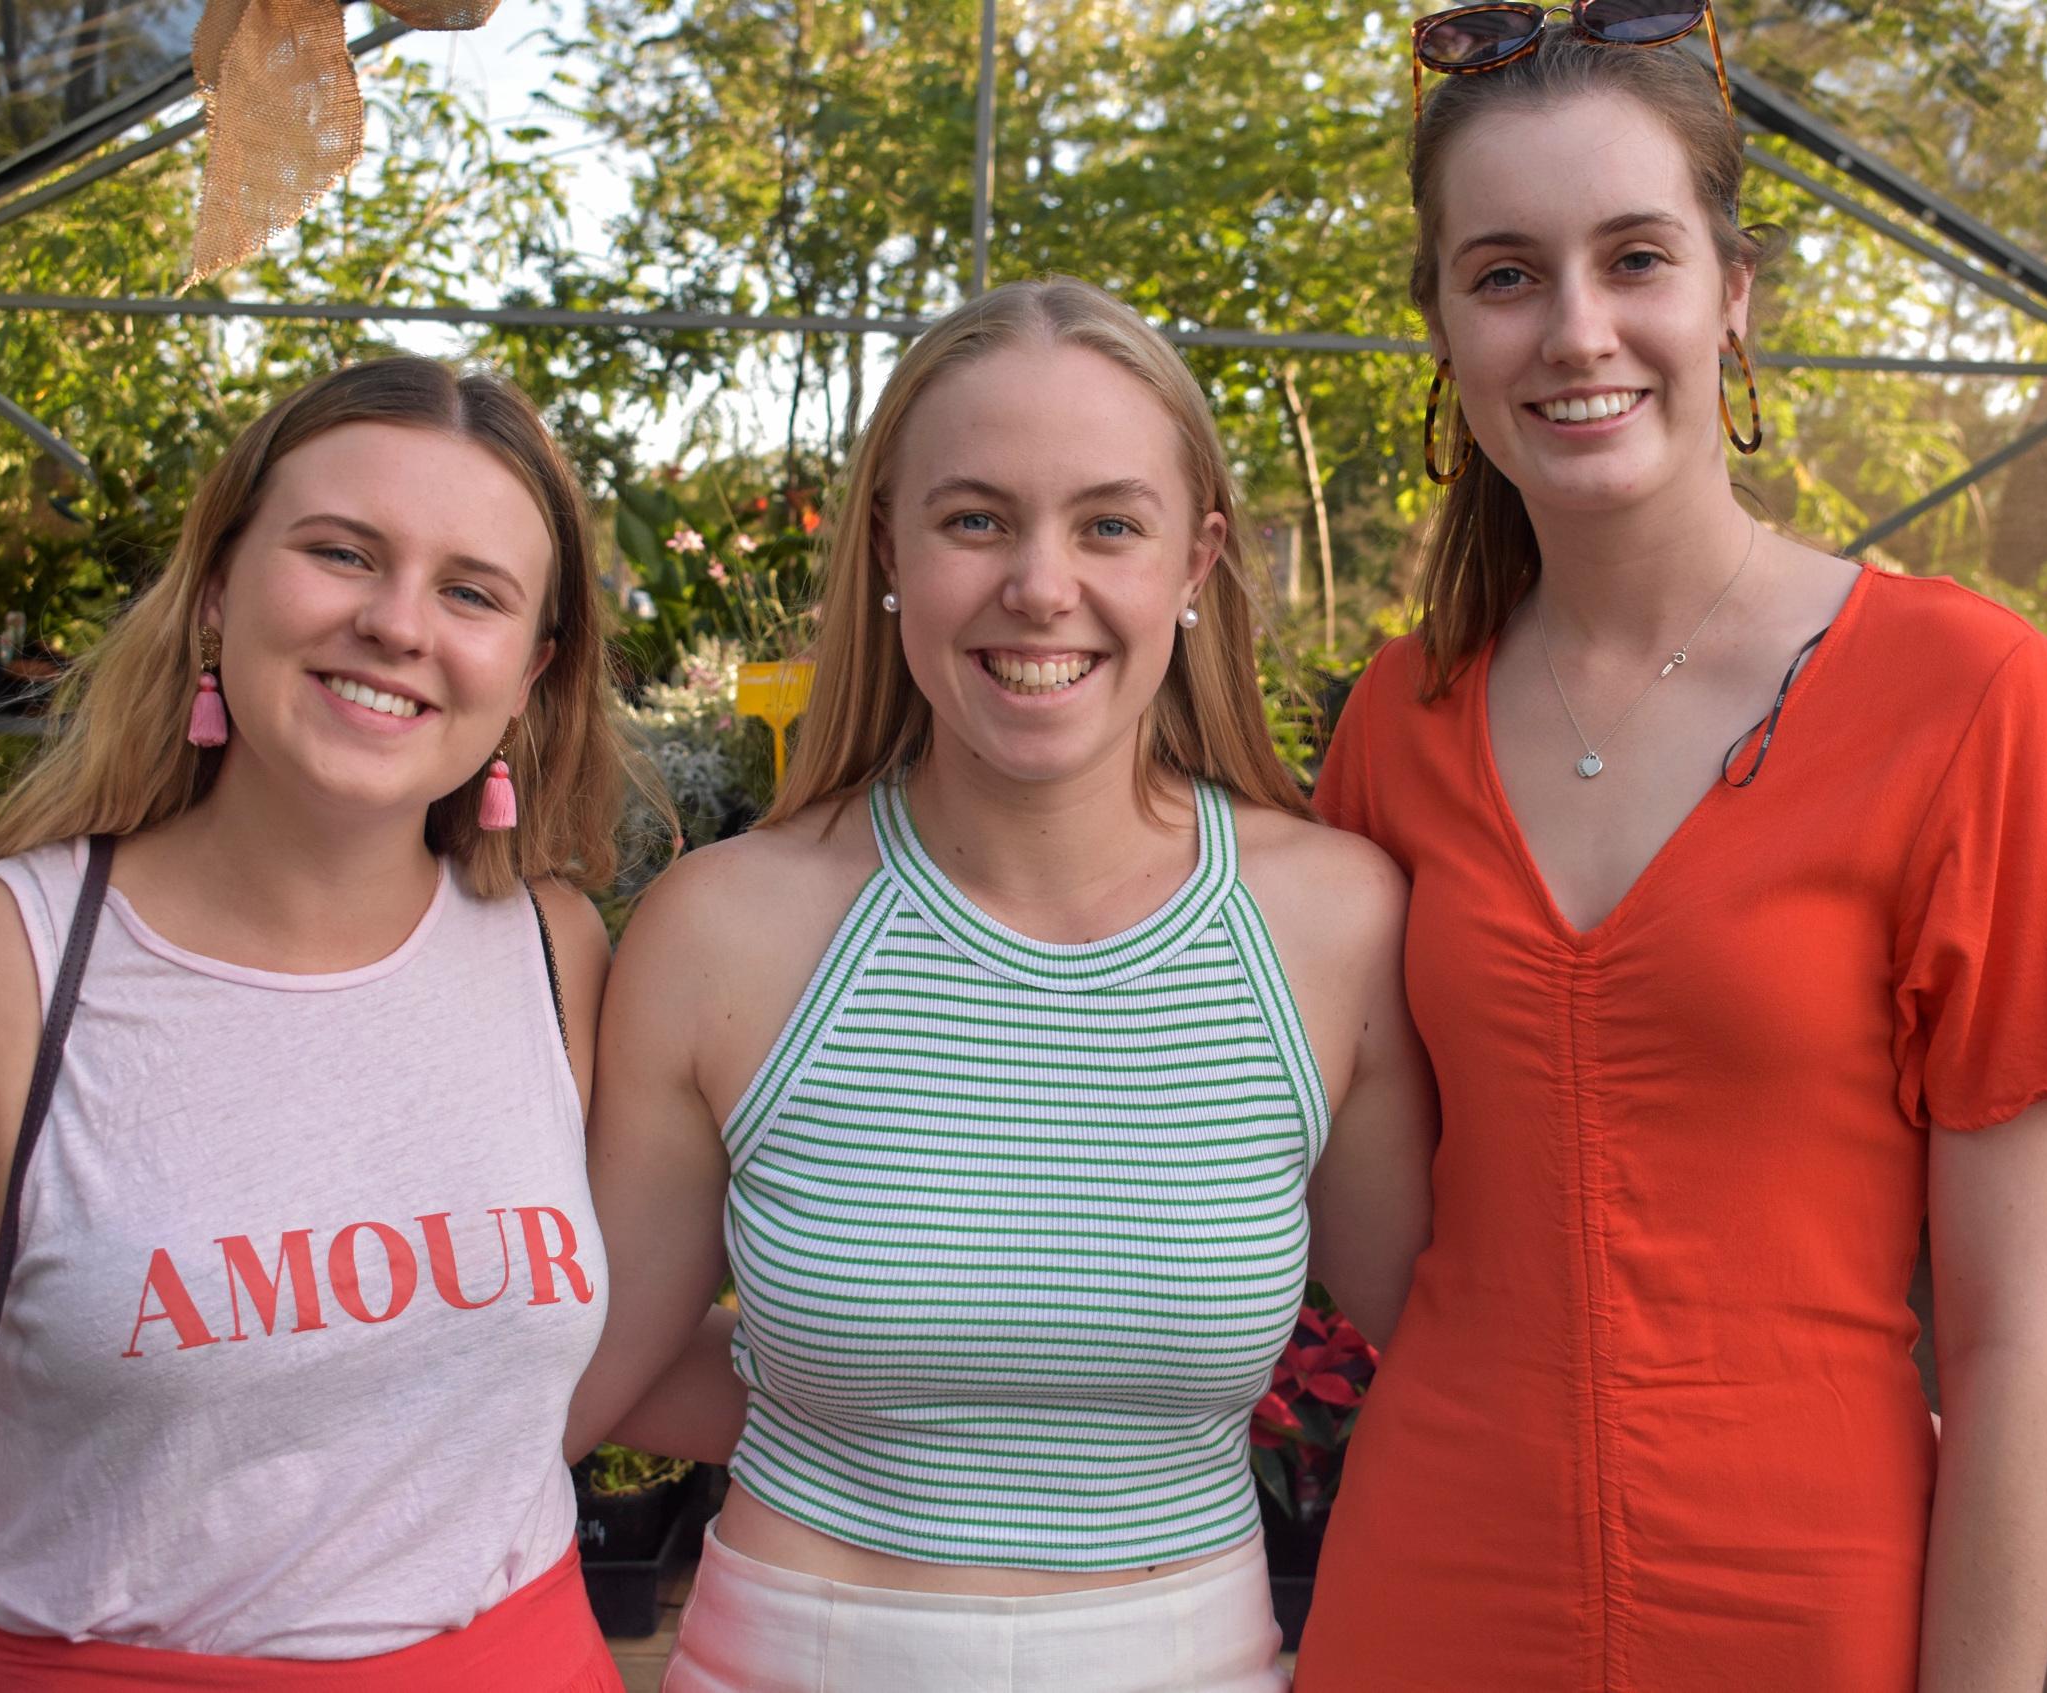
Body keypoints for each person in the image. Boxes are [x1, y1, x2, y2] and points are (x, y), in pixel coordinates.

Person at [1296, 11, 2047, 1692]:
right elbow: (1379, 1240)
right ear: (1443, 332)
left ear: (1731, 292)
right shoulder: (1393, 724)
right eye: (1503, 274)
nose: (1576, 329)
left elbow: (2009, 1352)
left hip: (1810, 1600)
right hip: (1428, 1588)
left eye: (1634, 257)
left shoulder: (1964, 694)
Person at [566, 276, 1436, 1693]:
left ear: (1194, 562)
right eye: (976, 518)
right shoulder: (721, 930)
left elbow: (1454, 1337)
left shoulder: (1329, 924)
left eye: (1108, 523)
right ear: (887, 548)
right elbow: (586, 1361)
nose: (1042, 584)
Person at [0, 358, 661, 1691]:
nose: (396, 622)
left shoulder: (556, 951)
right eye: (340, 553)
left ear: (534, 675)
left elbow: (618, 1353)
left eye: (469, 591)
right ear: (217, 589)